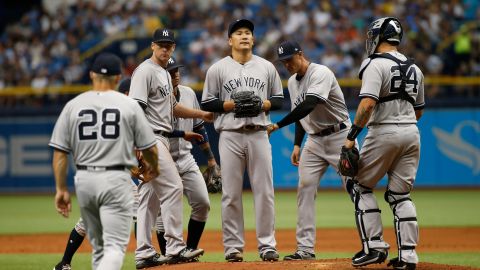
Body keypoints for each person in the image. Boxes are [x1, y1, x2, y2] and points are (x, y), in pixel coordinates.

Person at [50, 53, 159, 270]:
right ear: (119, 78)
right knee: (114, 248)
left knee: (97, 246)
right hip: (115, 178)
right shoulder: (128, 105)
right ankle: (144, 254)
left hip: (85, 180)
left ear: (91, 75)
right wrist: (153, 168)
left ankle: (64, 264)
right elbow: (150, 148)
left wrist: (61, 189)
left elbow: (60, 153)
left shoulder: (74, 105)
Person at [339, 17, 424, 270]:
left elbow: (367, 104)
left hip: (383, 131)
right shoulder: (416, 68)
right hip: (411, 132)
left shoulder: (375, 64)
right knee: (400, 195)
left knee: (360, 187)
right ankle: (408, 256)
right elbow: (418, 111)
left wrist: (352, 136)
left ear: (377, 37)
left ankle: (374, 246)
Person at [128, 28, 214, 269]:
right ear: (152, 45)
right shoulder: (145, 71)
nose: (165, 49)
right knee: (173, 186)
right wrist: (138, 144)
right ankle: (175, 247)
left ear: (174, 47)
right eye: (161, 44)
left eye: (169, 45)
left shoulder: (164, 74)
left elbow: (173, 108)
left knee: (149, 197)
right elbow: (136, 109)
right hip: (150, 138)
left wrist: (201, 114)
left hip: (160, 137)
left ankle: (144, 253)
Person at [201, 19, 284, 262]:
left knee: (265, 192)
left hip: (259, 132)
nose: (244, 36)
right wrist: (231, 105)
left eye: (248, 32)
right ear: (230, 40)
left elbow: (279, 99)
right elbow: (207, 102)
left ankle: (267, 245)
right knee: (230, 194)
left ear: (254, 39)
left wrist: (263, 104)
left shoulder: (267, 67)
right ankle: (233, 248)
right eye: (239, 33)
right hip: (229, 135)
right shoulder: (217, 69)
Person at [267, 40, 355, 261]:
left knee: (357, 189)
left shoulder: (321, 72)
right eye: (283, 62)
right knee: (304, 189)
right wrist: (297, 144)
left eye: (289, 59)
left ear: (301, 54)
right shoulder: (292, 83)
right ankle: (305, 249)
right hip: (314, 141)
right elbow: (301, 113)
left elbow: (310, 104)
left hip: (340, 137)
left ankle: (373, 242)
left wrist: (278, 125)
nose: (286, 64)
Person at [154, 57, 217, 257]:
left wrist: (210, 158)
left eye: (177, 70)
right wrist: (182, 134)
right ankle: (169, 257)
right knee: (163, 214)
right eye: (171, 72)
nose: (176, 74)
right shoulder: (155, 97)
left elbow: (198, 126)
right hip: (162, 158)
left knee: (202, 203)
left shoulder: (188, 93)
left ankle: (189, 250)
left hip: (185, 157)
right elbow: (156, 131)